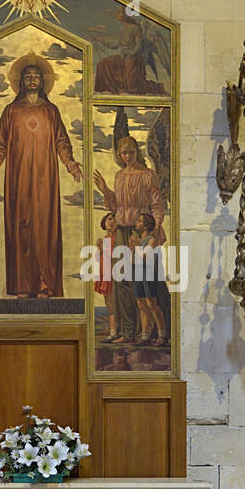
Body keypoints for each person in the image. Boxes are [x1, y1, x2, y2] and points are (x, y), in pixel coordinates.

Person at [0, 54, 82, 298]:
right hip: (18, 178)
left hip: (45, 179)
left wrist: (69, 163)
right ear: (21, 82)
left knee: (44, 229)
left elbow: (61, 141)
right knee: (21, 228)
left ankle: (44, 285)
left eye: (36, 76)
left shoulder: (51, 111)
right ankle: (23, 285)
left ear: (42, 81)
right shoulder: (11, 111)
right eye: (27, 77)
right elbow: (0, 144)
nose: (32, 80)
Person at [94, 134, 166, 342]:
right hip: (123, 231)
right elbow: (117, 207)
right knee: (122, 280)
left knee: (143, 281)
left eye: (131, 152)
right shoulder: (119, 176)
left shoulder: (147, 175)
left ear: (137, 152)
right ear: (119, 155)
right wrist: (106, 190)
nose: (127, 156)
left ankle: (150, 332)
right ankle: (127, 332)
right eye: (124, 153)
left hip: (140, 231)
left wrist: (155, 228)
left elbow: (156, 204)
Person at [129, 211, 168, 346]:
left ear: (145, 226)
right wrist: (134, 249)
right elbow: (133, 261)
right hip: (139, 273)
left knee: (152, 304)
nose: (137, 223)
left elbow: (145, 257)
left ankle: (162, 335)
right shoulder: (139, 242)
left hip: (149, 274)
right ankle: (145, 336)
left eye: (139, 221)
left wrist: (136, 247)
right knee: (141, 304)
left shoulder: (152, 240)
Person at [94, 211, 118, 341]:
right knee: (109, 305)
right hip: (105, 275)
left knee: (114, 305)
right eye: (109, 219)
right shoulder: (104, 239)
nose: (112, 221)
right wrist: (100, 248)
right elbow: (98, 258)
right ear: (104, 222)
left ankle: (116, 332)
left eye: (114, 219)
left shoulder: (117, 239)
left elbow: (115, 257)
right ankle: (113, 332)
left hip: (114, 275)